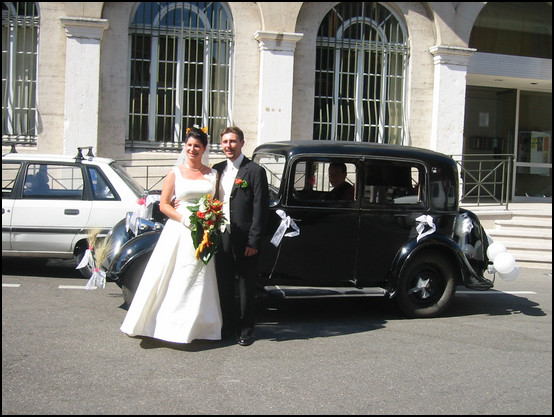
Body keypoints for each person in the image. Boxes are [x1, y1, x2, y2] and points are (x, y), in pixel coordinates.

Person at [120, 127, 222, 344]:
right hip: (179, 228)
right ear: (185, 147)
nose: (192, 149)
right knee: (174, 275)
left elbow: (216, 202)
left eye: (197, 146)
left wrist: (209, 218)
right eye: (189, 145)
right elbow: (164, 205)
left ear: (204, 149)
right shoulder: (174, 173)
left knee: (198, 277)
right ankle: (166, 325)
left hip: (203, 231)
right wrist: (184, 218)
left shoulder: (212, 174)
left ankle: (199, 327)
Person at [213, 126, 269, 346]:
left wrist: (254, 241)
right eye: (225, 142)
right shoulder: (217, 170)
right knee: (224, 285)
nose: (229, 146)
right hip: (222, 236)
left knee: (245, 286)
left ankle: (246, 329)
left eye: (233, 141)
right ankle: (227, 326)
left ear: (242, 143)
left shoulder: (254, 171)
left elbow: (260, 209)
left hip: (245, 239)